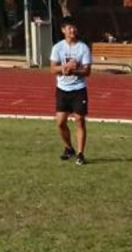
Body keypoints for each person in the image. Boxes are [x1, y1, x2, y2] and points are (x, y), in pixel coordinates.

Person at [49, 15, 92, 165]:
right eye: (69, 28)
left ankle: (80, 153)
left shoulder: (83, 48)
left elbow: (87, 71)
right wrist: (64, 69)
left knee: (79, 120)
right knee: (60, 122)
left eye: (74, 27)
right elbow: (52, 68)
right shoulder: (58, 47)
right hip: (62, 89)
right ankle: (69, 148)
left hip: (78, 89)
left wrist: (74, 71)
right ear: (63, 30)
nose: (72, 30)